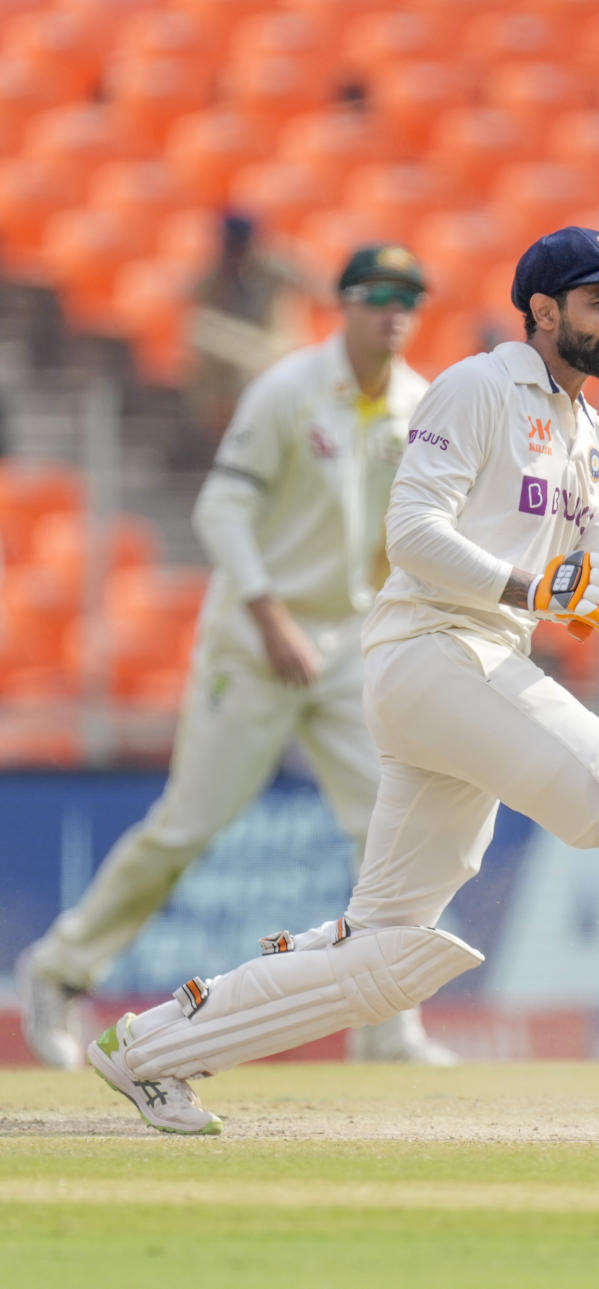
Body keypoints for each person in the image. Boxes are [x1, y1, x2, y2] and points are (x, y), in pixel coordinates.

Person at [83, 226, 599, 1136]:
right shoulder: (478, 387)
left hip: (472, 665)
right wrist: (542, 586)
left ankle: (147, 1050)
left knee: (384, 946)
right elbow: (411, 534)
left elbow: (597, 601)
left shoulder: (593, 439)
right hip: (435, 648)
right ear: (542, 309)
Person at [18, 241, 457, 1070]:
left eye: (410, 296)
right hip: (254, 639)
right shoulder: (289, 390)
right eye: (378, 294)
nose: (395, 310)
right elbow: (221, 510)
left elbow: (403, 535)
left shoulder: (416, 404)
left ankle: (387, 1025)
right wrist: (268, 616)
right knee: (188, 826)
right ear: (344, 302)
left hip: (345, 642)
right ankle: (57, 969)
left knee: (390, 831)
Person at [182, 211, 321, 456]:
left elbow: (323, 292)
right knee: (203, 340)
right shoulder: (218, 274)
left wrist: (287, 262)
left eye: (240, 246)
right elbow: (189, 296)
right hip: (242, 354)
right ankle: (221, 433)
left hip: (277, 347)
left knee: (246, 371)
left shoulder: (273, 267)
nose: (236, 254)